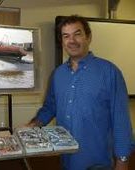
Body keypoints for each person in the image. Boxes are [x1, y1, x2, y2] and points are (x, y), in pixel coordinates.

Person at [27, 15, 132, 170]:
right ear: (62, 41)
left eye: (77, 34)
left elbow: (121, 120)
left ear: (88, 37)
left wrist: (122, 161)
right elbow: (50, 107)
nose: (72, 41)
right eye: (66, 36)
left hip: (97, 162)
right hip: (66, 160)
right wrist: (33, 125)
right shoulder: (58, 74)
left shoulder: (109, 72)